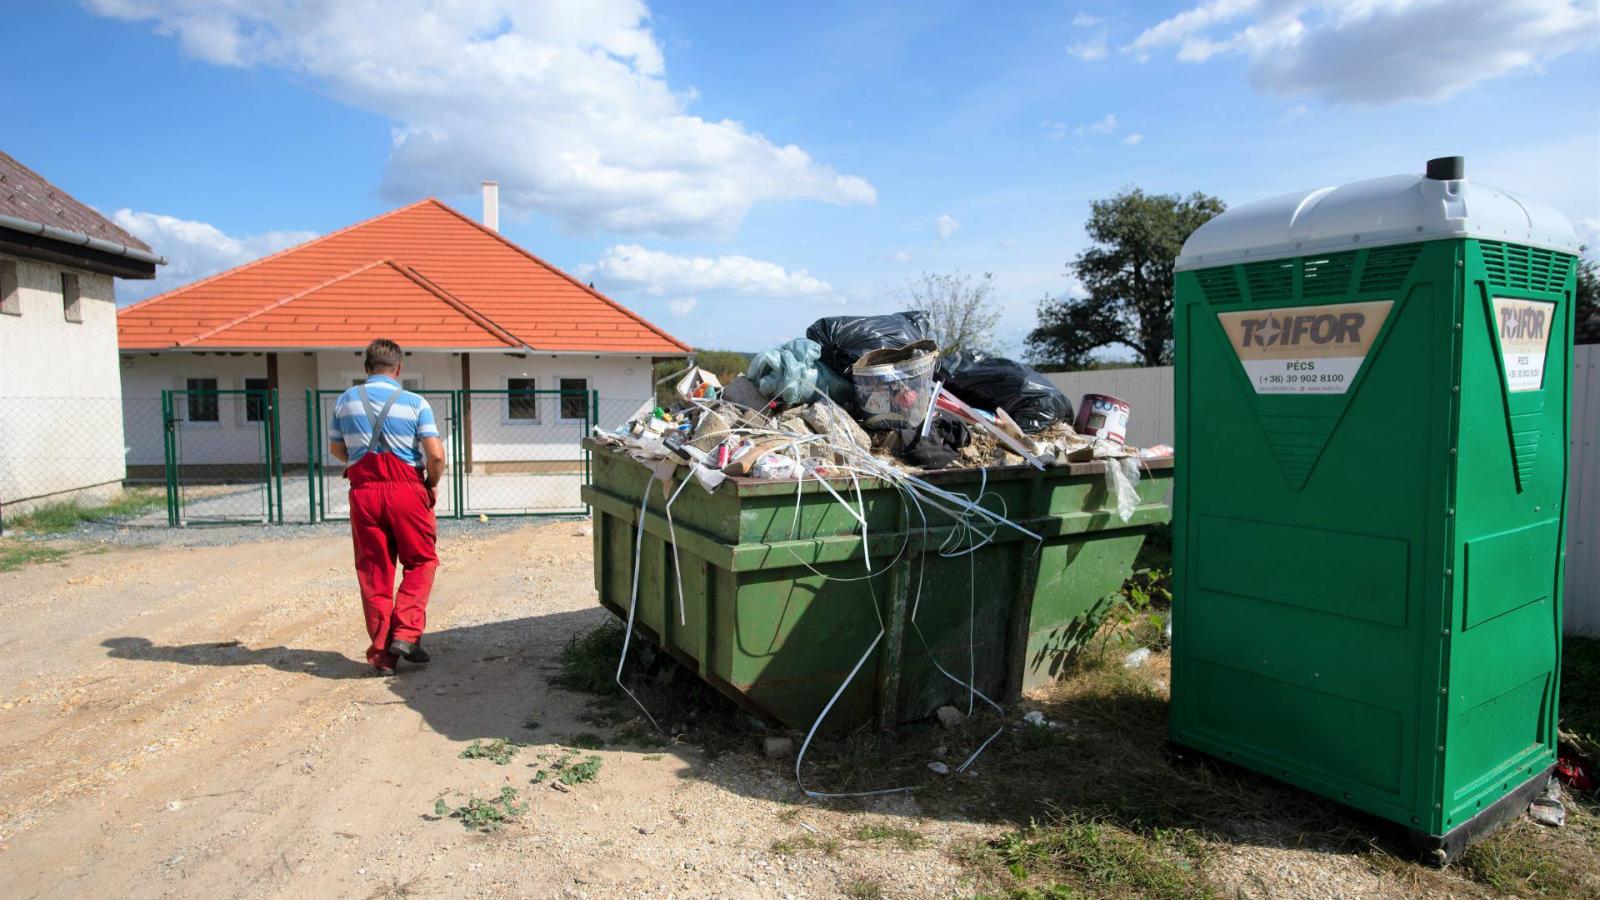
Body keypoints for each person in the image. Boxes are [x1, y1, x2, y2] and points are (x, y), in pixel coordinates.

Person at [328, 339, 448, 675]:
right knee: (421, 560)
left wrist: (359, 459)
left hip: (364, 493)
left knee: (374, 571)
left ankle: (383, 654)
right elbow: (435, 454)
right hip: (407, 490)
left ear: (366, 368)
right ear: (398, 368)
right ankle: (407, 634)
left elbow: (338, 450)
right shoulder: (414, 402)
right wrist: (431, 482)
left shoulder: (343, 402)